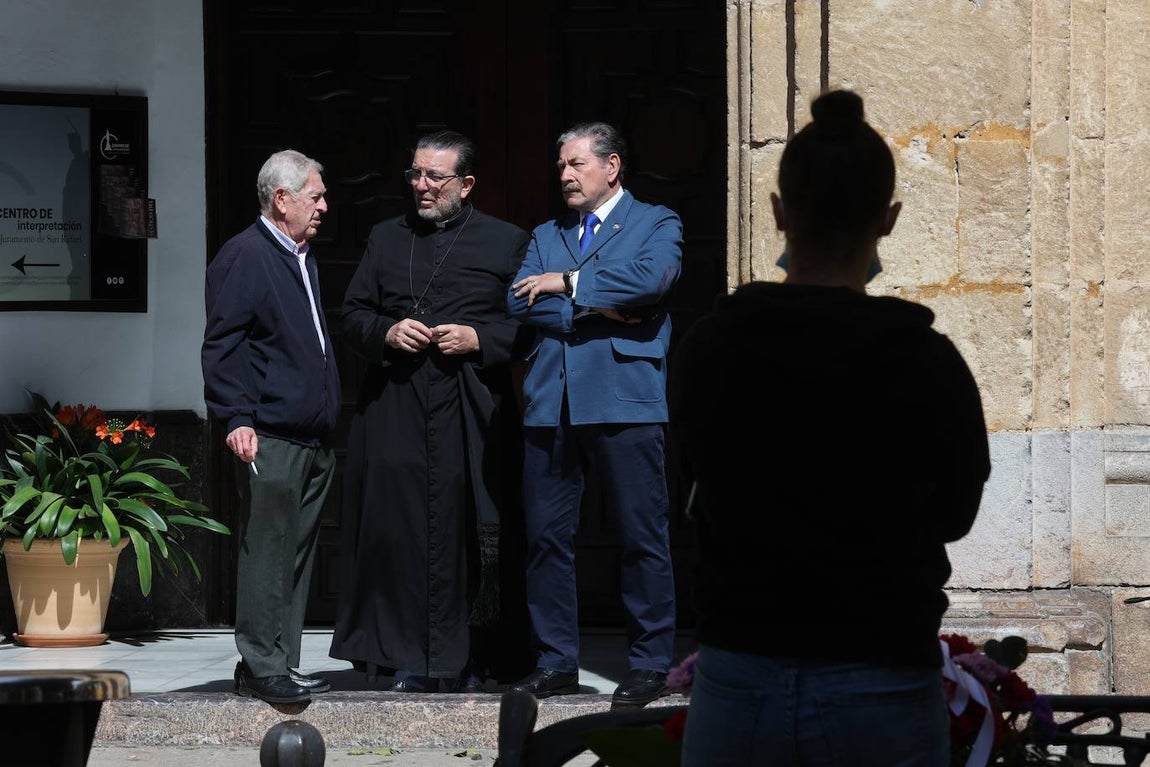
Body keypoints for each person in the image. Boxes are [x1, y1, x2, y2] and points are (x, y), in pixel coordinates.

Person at [669, 89, 992, 766]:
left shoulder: (711, 344)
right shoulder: (926, 359)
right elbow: (956, 512)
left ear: (780, 212)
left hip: (741, 672)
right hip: (877, 672)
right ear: (890, 219)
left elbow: (690, 481)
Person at [329, 130, 535, 693]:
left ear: (465, 185)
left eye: (434, 178)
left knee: (472, 531)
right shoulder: (385, 237)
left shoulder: (508, 241)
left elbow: (527, 326)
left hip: (472, 408)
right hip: (395, 406)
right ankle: (399, 656)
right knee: (395, 533)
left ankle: (472, 656)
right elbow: (352, 315)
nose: (421, 186)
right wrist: (387, 330)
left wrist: (477, 337)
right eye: (415, 175)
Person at [507, 121, 683, 708]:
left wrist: (569, 282)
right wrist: (602, 309)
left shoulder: (656, 222)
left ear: (612, 167)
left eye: (576, 164)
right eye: (561, 167)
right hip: (550, 404)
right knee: (547, 540)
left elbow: (652, 281)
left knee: (643, 536)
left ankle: (650, 663)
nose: (565, 175)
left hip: (624, 399)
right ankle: (556, 661)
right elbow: (517, 302)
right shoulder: (545, 233)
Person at [201, 148, 341, 706]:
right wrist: (236, 416)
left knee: (296, 552)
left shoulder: (299, 255)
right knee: (267, 549)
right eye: (316, 195)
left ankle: (280, 661)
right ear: (282, 199)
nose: (324, 206)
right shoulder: (247, 256)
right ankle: (263, 664)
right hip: (271, 435)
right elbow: (222, 343)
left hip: (310, 437)